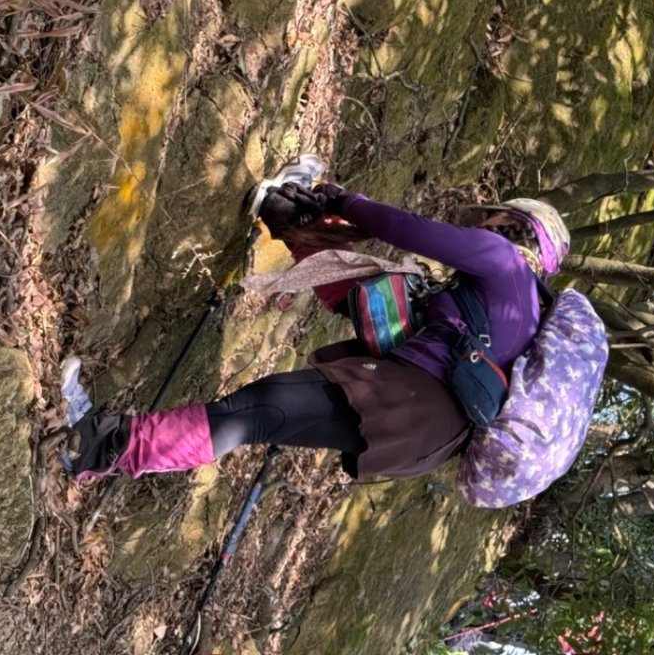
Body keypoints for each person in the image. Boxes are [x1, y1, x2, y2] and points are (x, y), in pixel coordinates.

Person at [61, 164, 571, 482]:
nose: (482, 222)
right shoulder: (525, 313)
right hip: (430, 437)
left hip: (415, 403)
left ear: (513, 225)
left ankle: (93, 443)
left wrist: (344, 201)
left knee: (256, 410)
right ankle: (285, 210)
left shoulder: (504, 261)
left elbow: (410, 230)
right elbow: (372, 303)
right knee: (375, 293)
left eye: (492, 217)